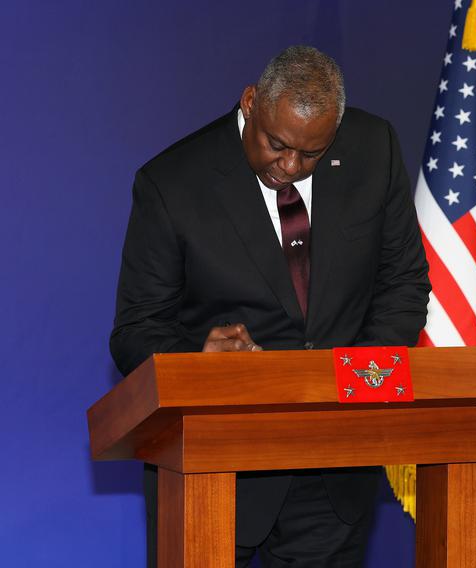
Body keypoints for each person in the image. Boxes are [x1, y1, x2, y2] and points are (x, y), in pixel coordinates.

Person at [109, 45, 430, 567]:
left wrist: (353, 381)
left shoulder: (375, 147)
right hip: (214, 467)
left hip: (334, 469)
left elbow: (404, 282)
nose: (290, 166)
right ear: (251, 101)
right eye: (276, 145)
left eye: (311, 154)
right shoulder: (171, 183)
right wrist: (197, 358)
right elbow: (134, 330)